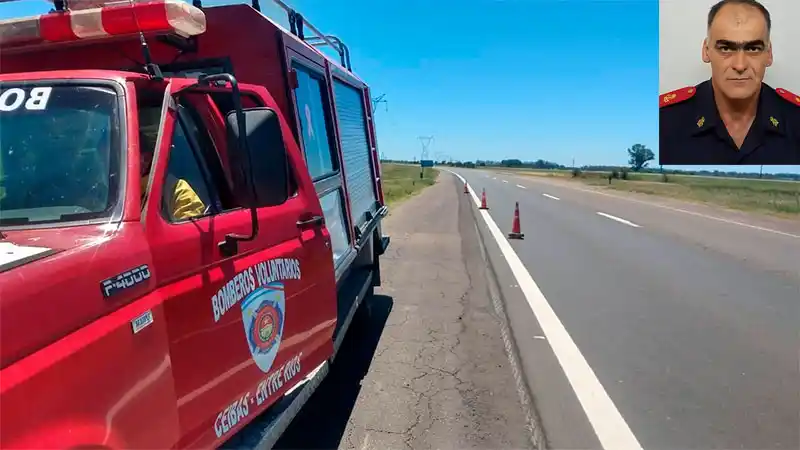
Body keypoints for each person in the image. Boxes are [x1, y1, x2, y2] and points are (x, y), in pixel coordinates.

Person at [659, 0, 800, 165]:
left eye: (753, 49)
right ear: (706, 51)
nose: (740, 65)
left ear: (769, 54)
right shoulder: (663, 121)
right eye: (726, 48)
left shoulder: (795, 119)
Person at [139, 121, 207, 221]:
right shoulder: (115, 192)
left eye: (124, 156)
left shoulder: (178, 191)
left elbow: (187, 234)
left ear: (146, 159)